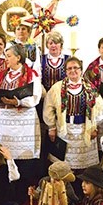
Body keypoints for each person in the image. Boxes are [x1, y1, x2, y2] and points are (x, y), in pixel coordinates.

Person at [43, 56, 103, 187]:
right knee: (65, 165)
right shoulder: (57, 87)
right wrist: (51, 126)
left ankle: (81, 194)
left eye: (75, 68)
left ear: (81, 70)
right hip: (65, 129)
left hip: (84, 130)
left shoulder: (89, 87)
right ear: (65, 71)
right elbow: (48, 106)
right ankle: (66, 194)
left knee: (84, 166)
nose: (73, 71)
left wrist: (94, 125)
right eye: (69, 69)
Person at [0, 44, 42, 198]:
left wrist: (17, 102)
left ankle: (22, 194)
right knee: (6, 154)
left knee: (24, 158)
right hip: (6, 121)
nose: (6, 59)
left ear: (18, 57)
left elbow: (35, 97)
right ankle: (7, 193)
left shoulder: (31, 75)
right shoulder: (1, 76)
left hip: (24, 121)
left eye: (9, 56)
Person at [38, 31, 70, 165]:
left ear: (61, 45)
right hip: (44, 99)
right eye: (50, 43)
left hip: (64, 101)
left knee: (62, 130)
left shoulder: (68, 59)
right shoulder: (41, 59)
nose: (53, 45)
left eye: (56, 43)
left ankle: (61, 162)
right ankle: (45, 163)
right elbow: (37, 78)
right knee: (45, 133)